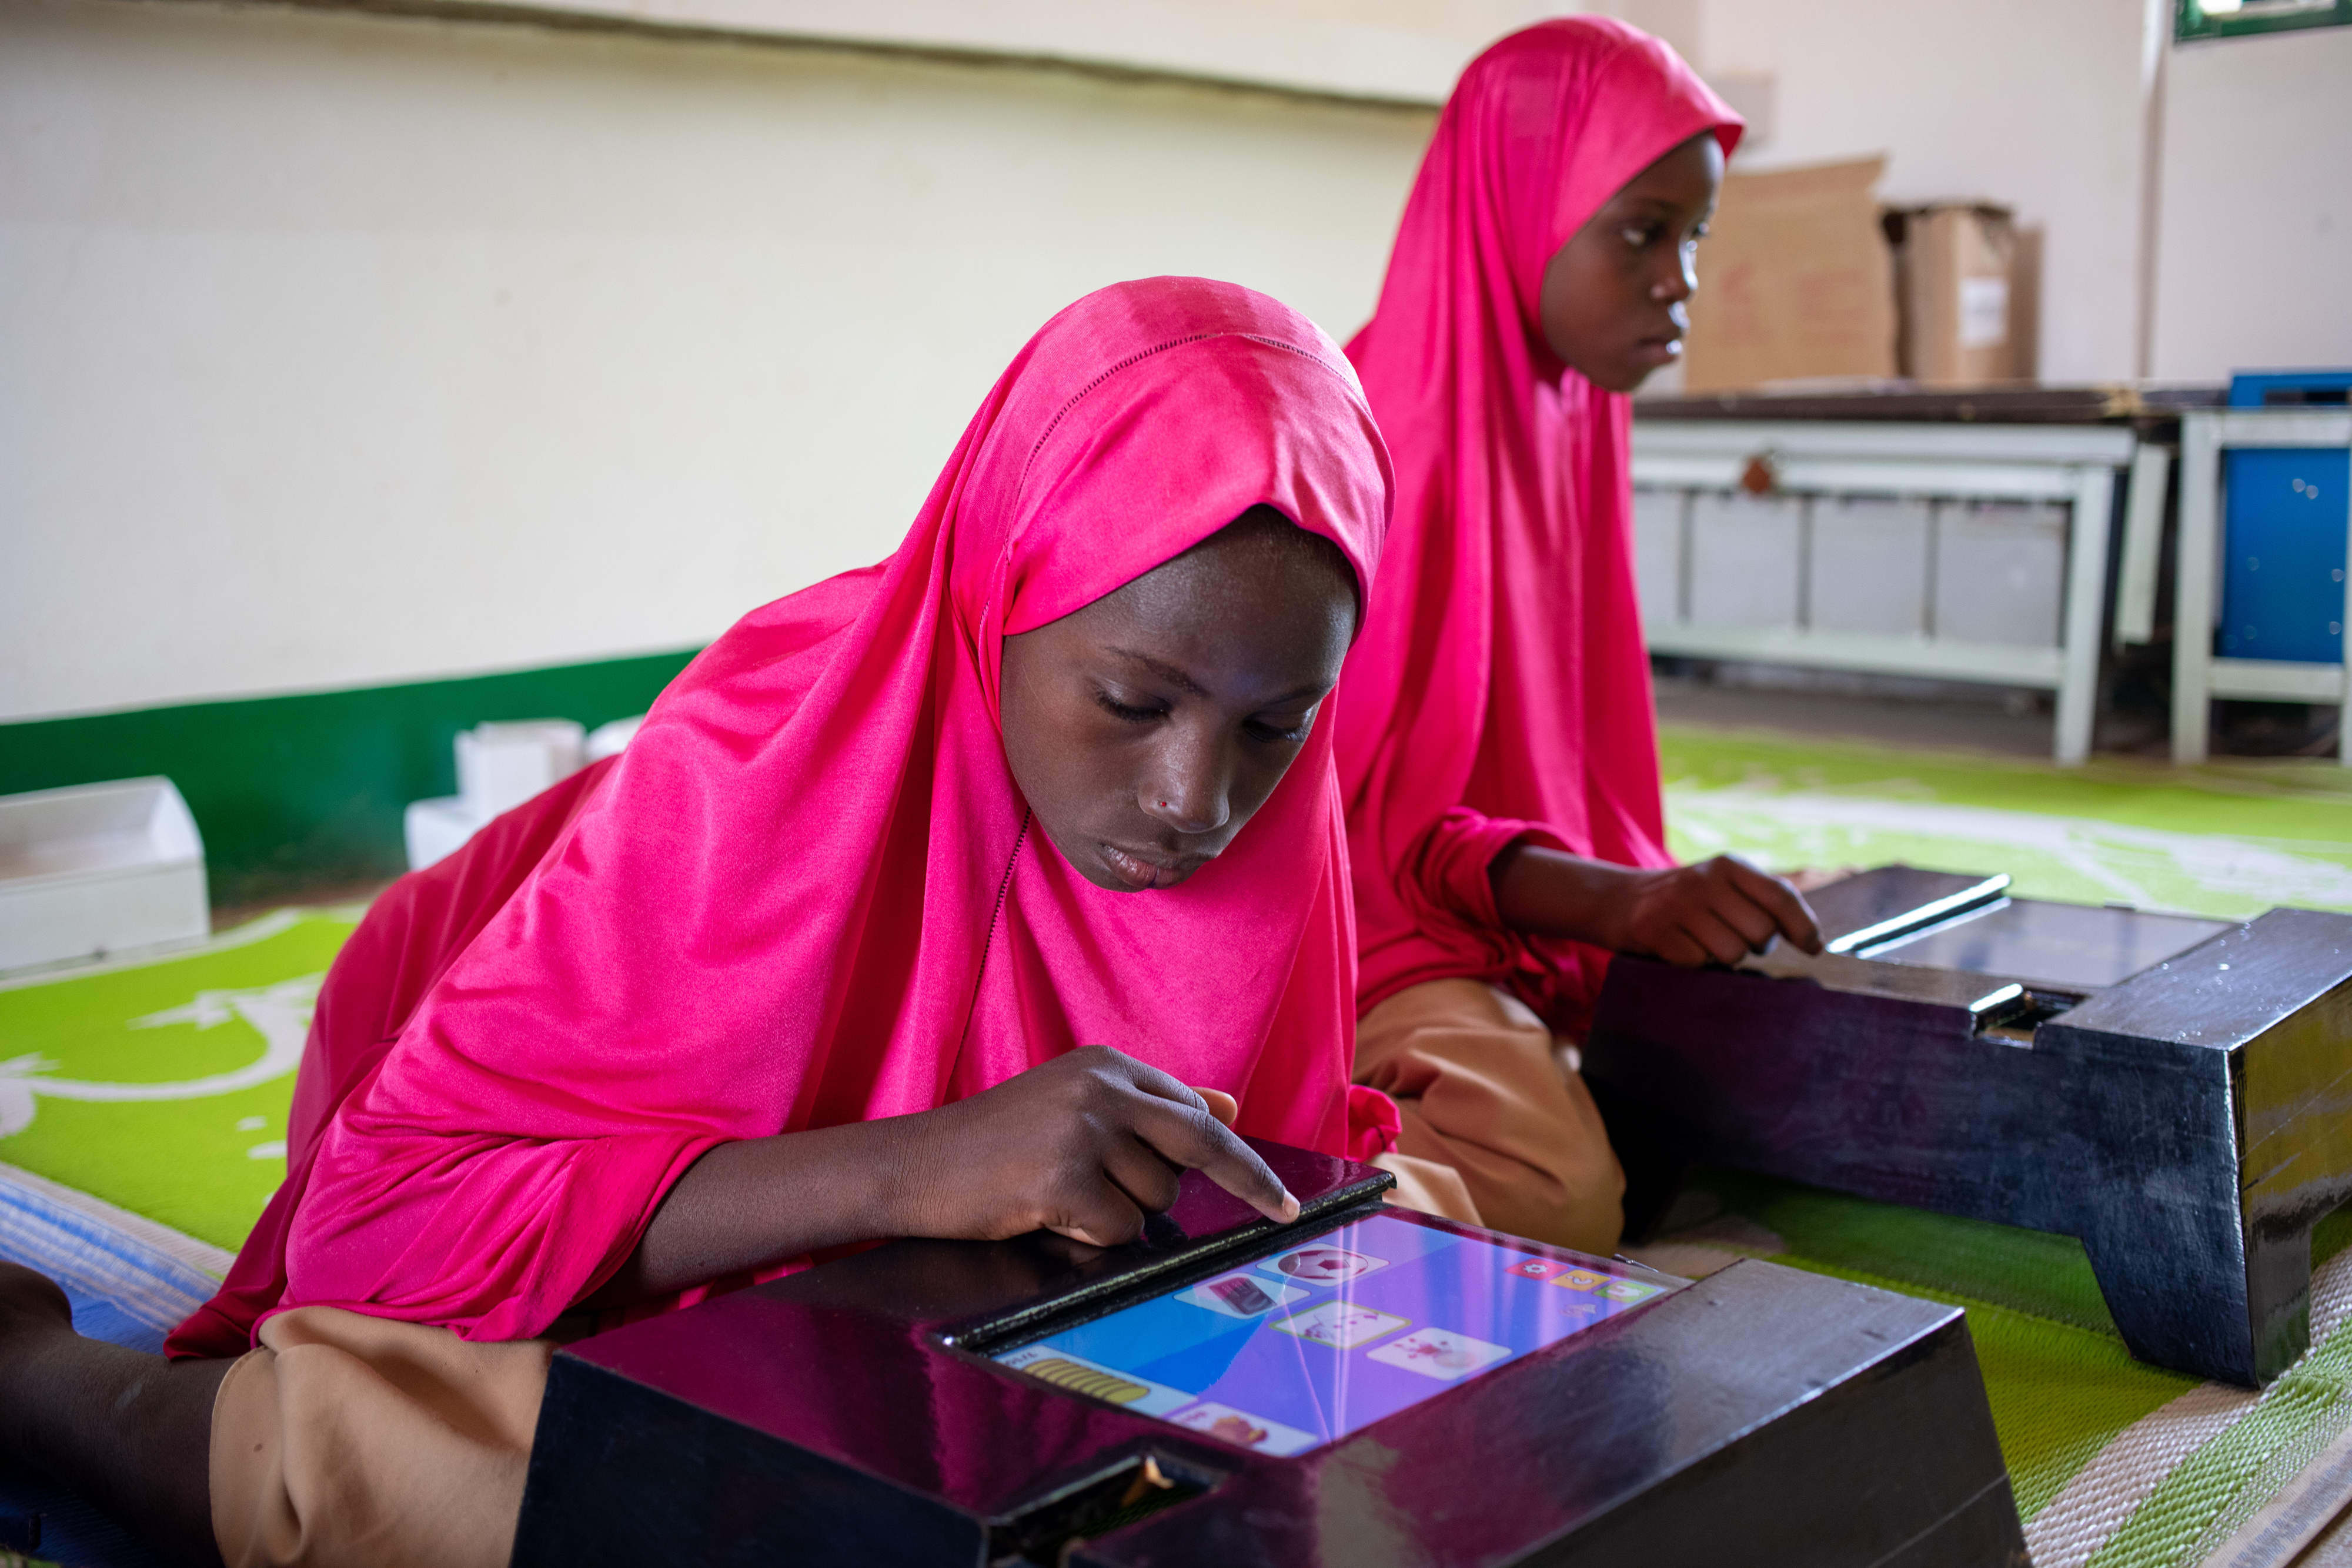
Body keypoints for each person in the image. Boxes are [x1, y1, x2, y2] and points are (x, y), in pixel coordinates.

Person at [0, 275, 1397, 1568]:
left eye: (1276, 723)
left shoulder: (1270, 821)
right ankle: (37, 1376)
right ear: (1000, 598)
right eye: (1132, 702)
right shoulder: (752, 753)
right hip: (519, 1114)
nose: (1192, 798)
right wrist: (907, 1170)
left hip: (908, 1286)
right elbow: (383, 1219)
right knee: (436, 1466)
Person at [1334, 19, 1823, 1256]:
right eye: (1640, 232)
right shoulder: (1386, 445)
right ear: (1514, 207)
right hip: (1362, 931)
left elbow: (1543, 765)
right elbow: (1362, 838)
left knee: (1777, 1022)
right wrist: (1614, 901)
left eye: (1693, 237)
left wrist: (1630, 894)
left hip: (1488, 910)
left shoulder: (1562, 406)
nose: (1680, 281)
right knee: (1559, 1187)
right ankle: (1247, 1181)